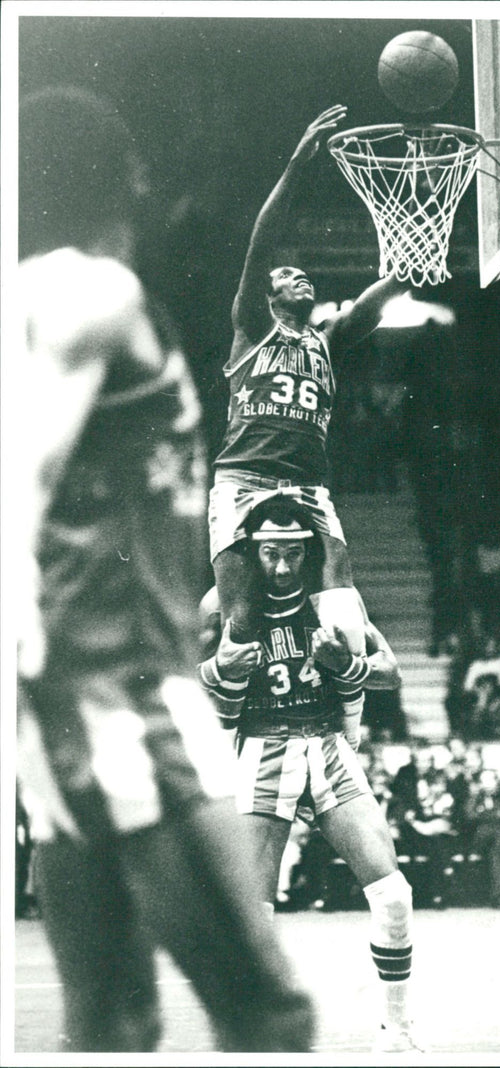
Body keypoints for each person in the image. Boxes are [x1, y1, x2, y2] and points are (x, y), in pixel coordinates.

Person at [16, 86, 315, 1052]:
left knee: (113, 1025)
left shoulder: (41, 290)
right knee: (270, 1012)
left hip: (66, 708)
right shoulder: (88, 290)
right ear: (131, 180)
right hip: (124, 699)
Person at [208, 104, 407, 751]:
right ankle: (229, 739)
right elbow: (262, 242)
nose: (296, 273)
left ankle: (342, 736)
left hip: (308, 485)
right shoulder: (251, 328)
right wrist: (297, 164)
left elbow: (369, 308)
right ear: (266, 294)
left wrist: (402, 272)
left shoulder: (323, 340)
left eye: (302, 272)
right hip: (243, 480)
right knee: (240, 618)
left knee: (342, 589)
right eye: (284, 274)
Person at [198, 497, 424, 1053]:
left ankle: (396, 1032)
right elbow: (186, 686)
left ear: (308, 551)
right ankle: (255, 1038)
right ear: (253, 550)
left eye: (293, 554)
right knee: (252, 913)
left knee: (394, 894)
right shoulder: (222, 604)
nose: (280, 567)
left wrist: (345, 666)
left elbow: (391, 674)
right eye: (270, 553)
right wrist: (217, 670)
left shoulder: (336, 603)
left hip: (325, 742)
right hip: (262, 744)